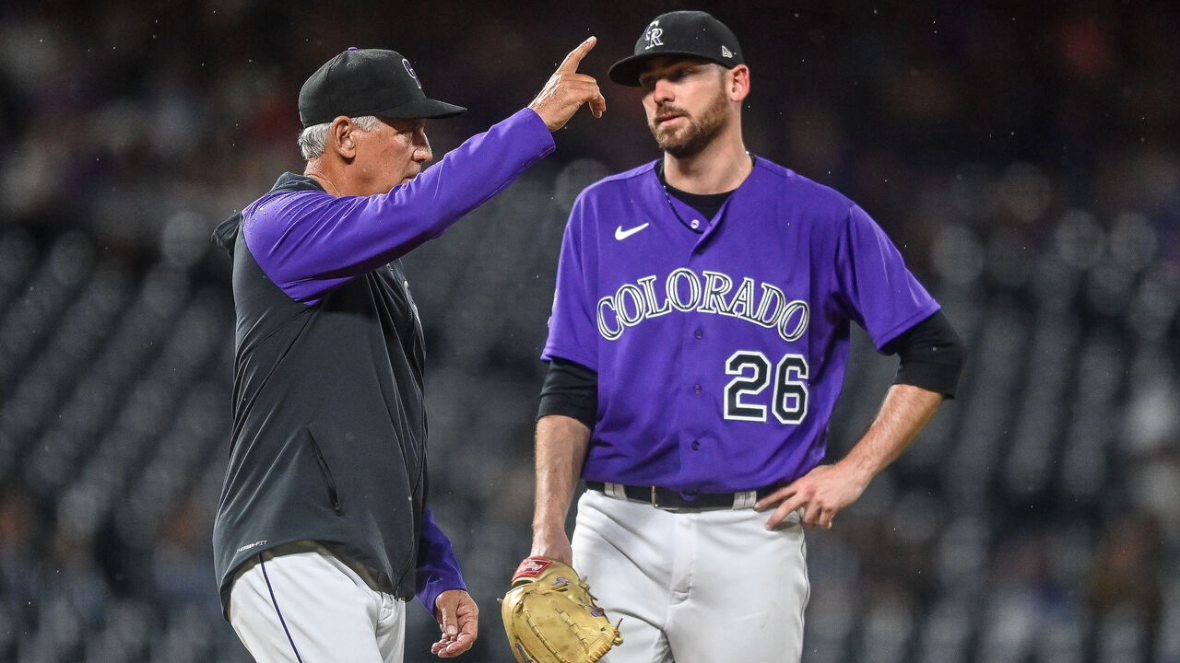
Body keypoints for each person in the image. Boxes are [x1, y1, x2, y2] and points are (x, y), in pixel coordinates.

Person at [526, 11, 965, 663]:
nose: (661, 92)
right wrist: (547, 529)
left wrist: (854, 471)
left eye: (681, 73)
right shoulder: (600, 210)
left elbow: (934, 348)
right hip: (616, 527)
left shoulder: (821, 219)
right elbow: (570, 381)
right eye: (648, 82)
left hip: (753, 535)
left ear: (737, 83)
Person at [210, 39, 605, 663]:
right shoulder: (279, 224)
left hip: (374, 573)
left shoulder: (378, 277)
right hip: (297, 552)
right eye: (409, 132)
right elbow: (421, 209)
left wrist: (436, 569)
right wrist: (535, 121)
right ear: (344, 137)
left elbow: (388, 439)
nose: (425, 151)